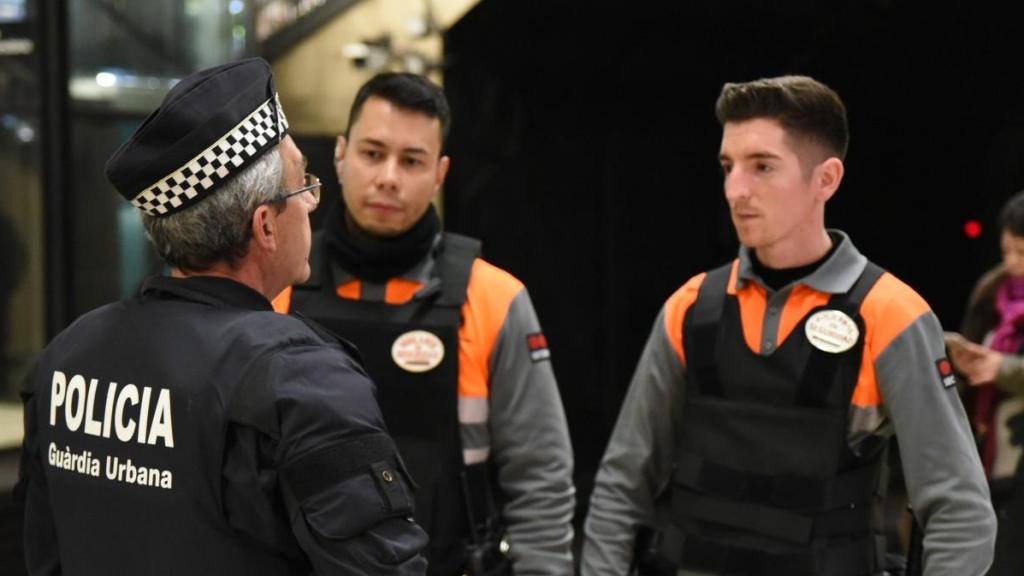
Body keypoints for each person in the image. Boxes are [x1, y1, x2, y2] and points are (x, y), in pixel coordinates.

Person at [17, 58, 428, 575]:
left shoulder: (67, 357)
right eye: (305, 187)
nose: (312, 207)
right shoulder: (301, 381)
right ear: (265, 227)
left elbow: (45, 556)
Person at [581, 75, 995, 576]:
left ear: (826, 179)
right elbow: (623, 484)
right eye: (728, 167)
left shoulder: (891, 315)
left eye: (762, 167)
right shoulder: (691, 307)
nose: (736, 190)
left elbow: (960, 512)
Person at [272, 72, 575, 575]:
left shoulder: (495, 299)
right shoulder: (275, 291)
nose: (389, 176)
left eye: (412, 160)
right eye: (373, 153)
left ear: (440, 173)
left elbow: (541, 481)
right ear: (341, 156)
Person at [948, 188, 1024, 576]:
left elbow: (1006, 366)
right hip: (987, 451)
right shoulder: (992, 291)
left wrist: (1006, 369)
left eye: (1023, 254)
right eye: (1007, 250)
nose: (1012, 263)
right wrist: (967, 361)